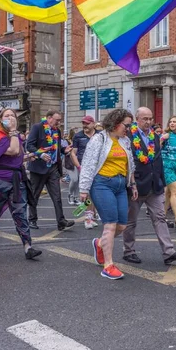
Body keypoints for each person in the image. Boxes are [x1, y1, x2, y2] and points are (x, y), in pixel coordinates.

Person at [122, 107, 176, 265]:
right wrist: (130, 183)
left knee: (160, 218)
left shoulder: (155, 136)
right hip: (136, 186)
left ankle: (169, 252)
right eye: (145, 119)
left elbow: (157, 160)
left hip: (155, 186)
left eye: (150, 118)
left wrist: (161, 180)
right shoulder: (128, 136)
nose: (148, 122)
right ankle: (128, 251)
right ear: (137, 119)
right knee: (131, 221)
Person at [79, 109, 136, 280]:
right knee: (110, 225)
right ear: (116, 123)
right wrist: (83, 189)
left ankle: (99, 243)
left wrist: (132, 184)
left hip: (120, 185)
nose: (129, 128)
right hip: (102, 184)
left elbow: (130, 164)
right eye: (127, 125)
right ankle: (108, 265)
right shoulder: (99, 139)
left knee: (121, 226)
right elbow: (88, 164)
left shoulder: (124, 141)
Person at [0, 108, 42, 260]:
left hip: (17, 180)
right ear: (0, 119)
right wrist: (14, 132)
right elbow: (12, 151)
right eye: (6, 116)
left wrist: (32, 156)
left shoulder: (15, 136)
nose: (10, 118)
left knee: (20, 213)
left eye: (13, 116)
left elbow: (17, 156)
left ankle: (28, 247)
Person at [26, 110, 75, 232]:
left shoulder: (57, 131)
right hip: (38, 167)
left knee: (57, 196)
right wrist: (40, 154)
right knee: (34, 195)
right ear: (49, 118)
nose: (59, 123)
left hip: (53, 168)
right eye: (57, 120)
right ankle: (32, 219)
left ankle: (61, 221)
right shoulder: (37, 127)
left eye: (60, 120)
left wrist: (64, 150)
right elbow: (29, 146)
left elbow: (56, 148)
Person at [72, 116, 101, 230]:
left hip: (98, 168)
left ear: (93, 124)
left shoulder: (100, 135)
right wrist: (79, 166)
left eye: (87, 123)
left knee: (94, 193)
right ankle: (88, 217)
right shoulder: (78, 136)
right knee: (86, 193)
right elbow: (73, 153)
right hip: (84, 168)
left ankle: (91, 216)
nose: (85, 125)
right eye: (83, 123)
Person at [65, 128, 80, 206]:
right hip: (70, 163)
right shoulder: (67, 141)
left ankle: (76, 197)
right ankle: (70, 195)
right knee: (74, 179)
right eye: (76, 132)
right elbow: (64, 152)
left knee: (78, 181)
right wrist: (70, 149)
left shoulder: (79, 141)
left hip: (78, 162)